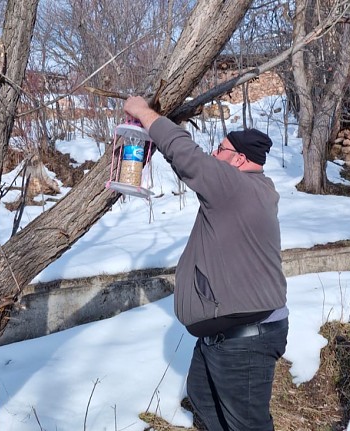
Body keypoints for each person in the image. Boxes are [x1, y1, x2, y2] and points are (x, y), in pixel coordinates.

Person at [123, 96, 288, 430]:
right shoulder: (246, 189)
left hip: (245, 340)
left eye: (220, 149)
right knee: (203, 400)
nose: (214, 153)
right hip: (226, 335)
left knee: (246, 425)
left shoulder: (236, 187)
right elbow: (190, 162)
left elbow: (188, 157)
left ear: (239, 159)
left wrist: (143, 112)